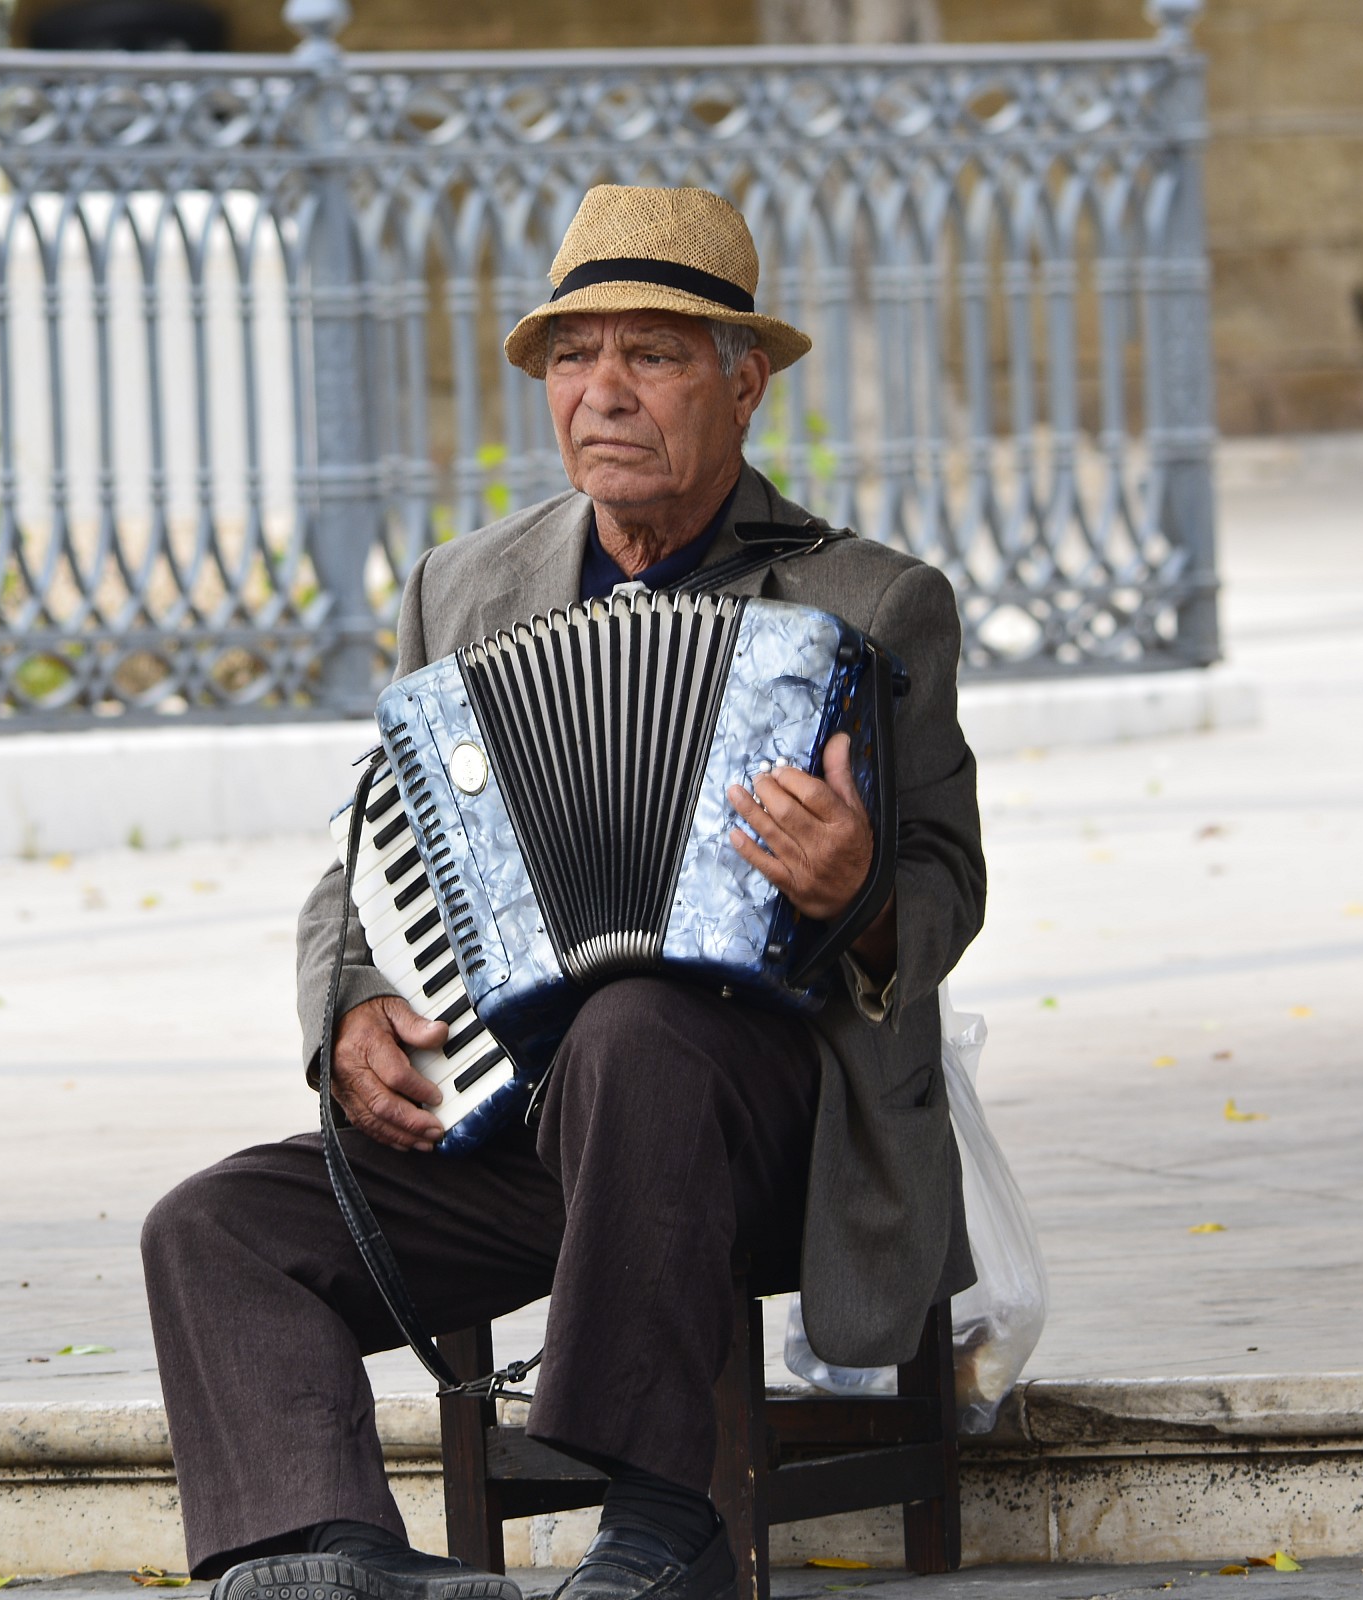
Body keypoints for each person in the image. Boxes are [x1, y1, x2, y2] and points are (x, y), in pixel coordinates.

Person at [141, 184, 986, 1600]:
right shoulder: (465, 588)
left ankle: (668, 1529)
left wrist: (857, 891)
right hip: (528, 1138)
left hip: (770, 1135)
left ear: (743, 384)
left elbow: (947, 884)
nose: (602, 393)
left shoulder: (868, 602)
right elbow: (368, 851)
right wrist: (348, 1003)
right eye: (572, 359)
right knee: (214, 1227)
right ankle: (326, 1552)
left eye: (651, 355)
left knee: (638, 1030)